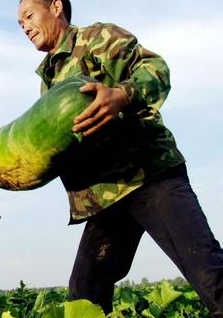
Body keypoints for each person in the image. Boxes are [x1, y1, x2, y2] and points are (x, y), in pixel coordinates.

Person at [17, 0, 223, 316]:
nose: (25, 26)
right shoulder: (48, 78)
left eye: (29, 16)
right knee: (84, 300)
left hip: (148, 178)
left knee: (210, 275)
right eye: (20, 24)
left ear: (56, 6)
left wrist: (121, 95)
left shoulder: (97, 38)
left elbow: (155, 69)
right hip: (105, 198)